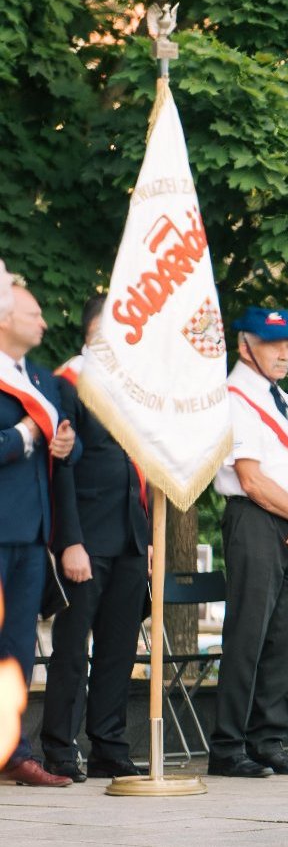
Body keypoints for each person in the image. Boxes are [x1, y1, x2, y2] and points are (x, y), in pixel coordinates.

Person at [208, 306, 288, 779]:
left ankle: (268, 739)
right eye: (273, 342)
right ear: (244, 346)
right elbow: (252, 480)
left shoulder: (286, 400)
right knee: (249, 632)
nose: (284, 351)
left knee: (287, 635)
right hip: (255, 519)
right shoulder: (234, 397)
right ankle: (228, 745)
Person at [38, 296, 147, 783]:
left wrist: (144, 541)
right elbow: (62, 466)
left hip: (127, 538)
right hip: (86, 537)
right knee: (70, 650)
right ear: (92, 331)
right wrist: (70, 542)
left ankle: (109, 744)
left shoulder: (129, 388)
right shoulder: (69, 381)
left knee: (118, 650)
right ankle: (60, 747)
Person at [0, 274, 80, 787]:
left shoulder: (45, 383)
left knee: (18, 646)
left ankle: (14, 751)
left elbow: (66, 447)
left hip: (31, 534)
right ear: (4, 318)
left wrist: (62, 444)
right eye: (33, 314)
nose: (44, 323)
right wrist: (26, 434)